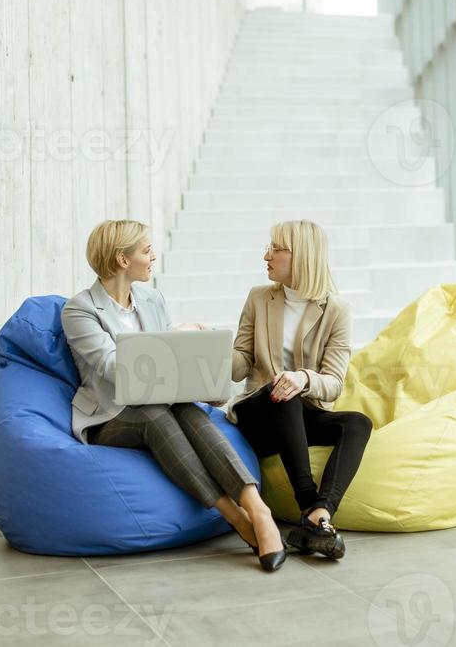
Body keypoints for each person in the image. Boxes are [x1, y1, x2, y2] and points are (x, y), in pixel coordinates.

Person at [61, 219, 287, 573]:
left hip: (161, 400)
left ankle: (257, 510)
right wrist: (171, 340)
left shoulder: (152, 299)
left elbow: (166, 363)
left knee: (189, 411)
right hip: (110, 415)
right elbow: (113, 367)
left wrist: (197, 369)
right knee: (155, 414)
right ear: (122, 260)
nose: (153, 256)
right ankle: (235, 517)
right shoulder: (80, 309)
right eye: (146, 250)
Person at [225, 219, 373, 560]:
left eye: (276, 249)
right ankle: (308, 504)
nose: (267, 255)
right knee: (282, 390)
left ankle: (321, 513)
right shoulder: (259, 298)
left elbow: (333, 383)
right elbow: (241, 363)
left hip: (300, 415)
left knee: (357, 423)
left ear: (302, 256)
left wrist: (305, 378)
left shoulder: (336, 311)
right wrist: (212, 352)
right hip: (256, 415)